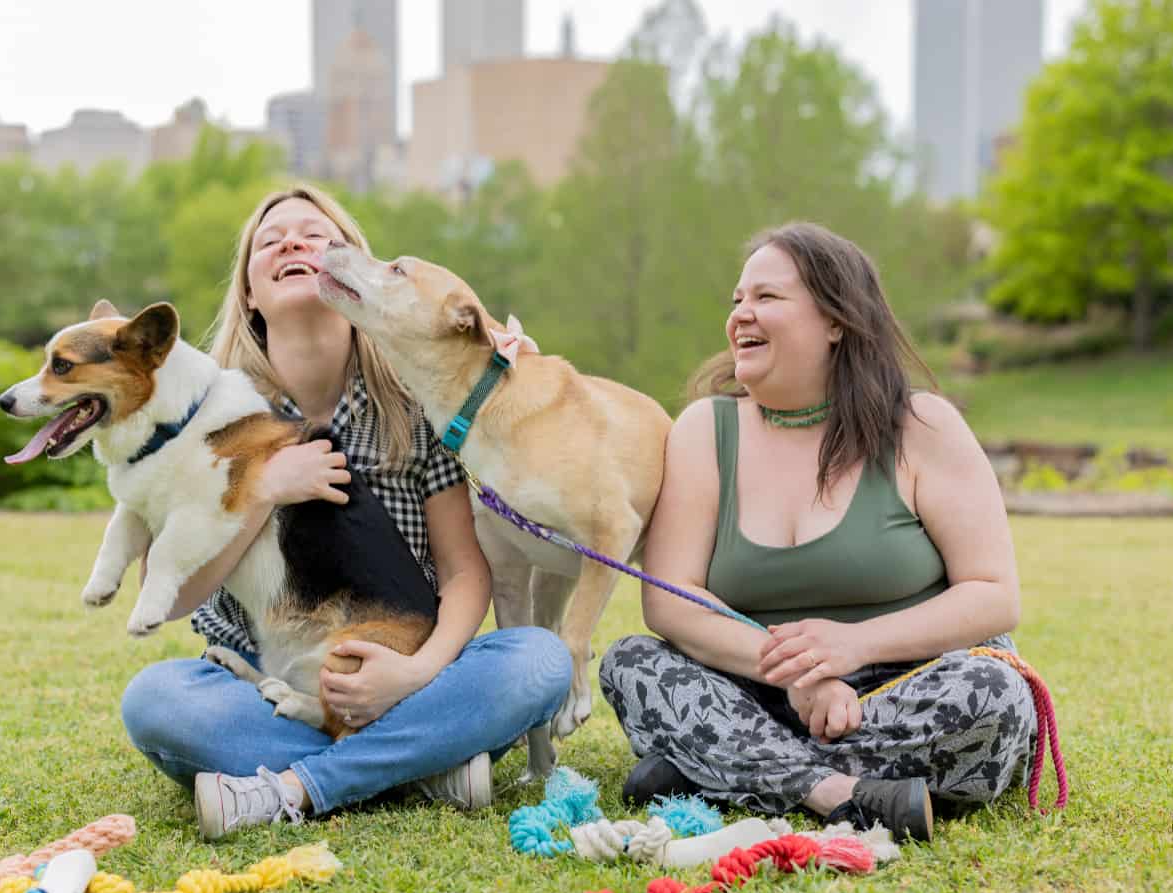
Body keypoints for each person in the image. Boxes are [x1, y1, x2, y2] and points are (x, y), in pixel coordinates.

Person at [119, 184, 571, 839]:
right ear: (248, 291)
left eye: (314, 235)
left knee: (539, 661)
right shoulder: (207, 421)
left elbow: (464, 575)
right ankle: (423, 767)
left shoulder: (418, 408)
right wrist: (266, 489)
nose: (293, 244)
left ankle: (297, 788)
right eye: (270, 241)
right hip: (265, 692)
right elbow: (170, 596)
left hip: (407, 680)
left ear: (353, 274)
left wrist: (414, 673)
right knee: (156, 702)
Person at [598, 222, 1037, 841]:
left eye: (766, 298)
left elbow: (994, 593)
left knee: (994, 691)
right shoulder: (704, 429)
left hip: (903, 689)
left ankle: (713, 773)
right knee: (632, 665)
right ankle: (839, 793)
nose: (741, 315)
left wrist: (854, 646)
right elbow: (670, 596)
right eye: (737, 301)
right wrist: (799, 674)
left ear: (836, 320)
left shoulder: (921, 426)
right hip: (752, 689)